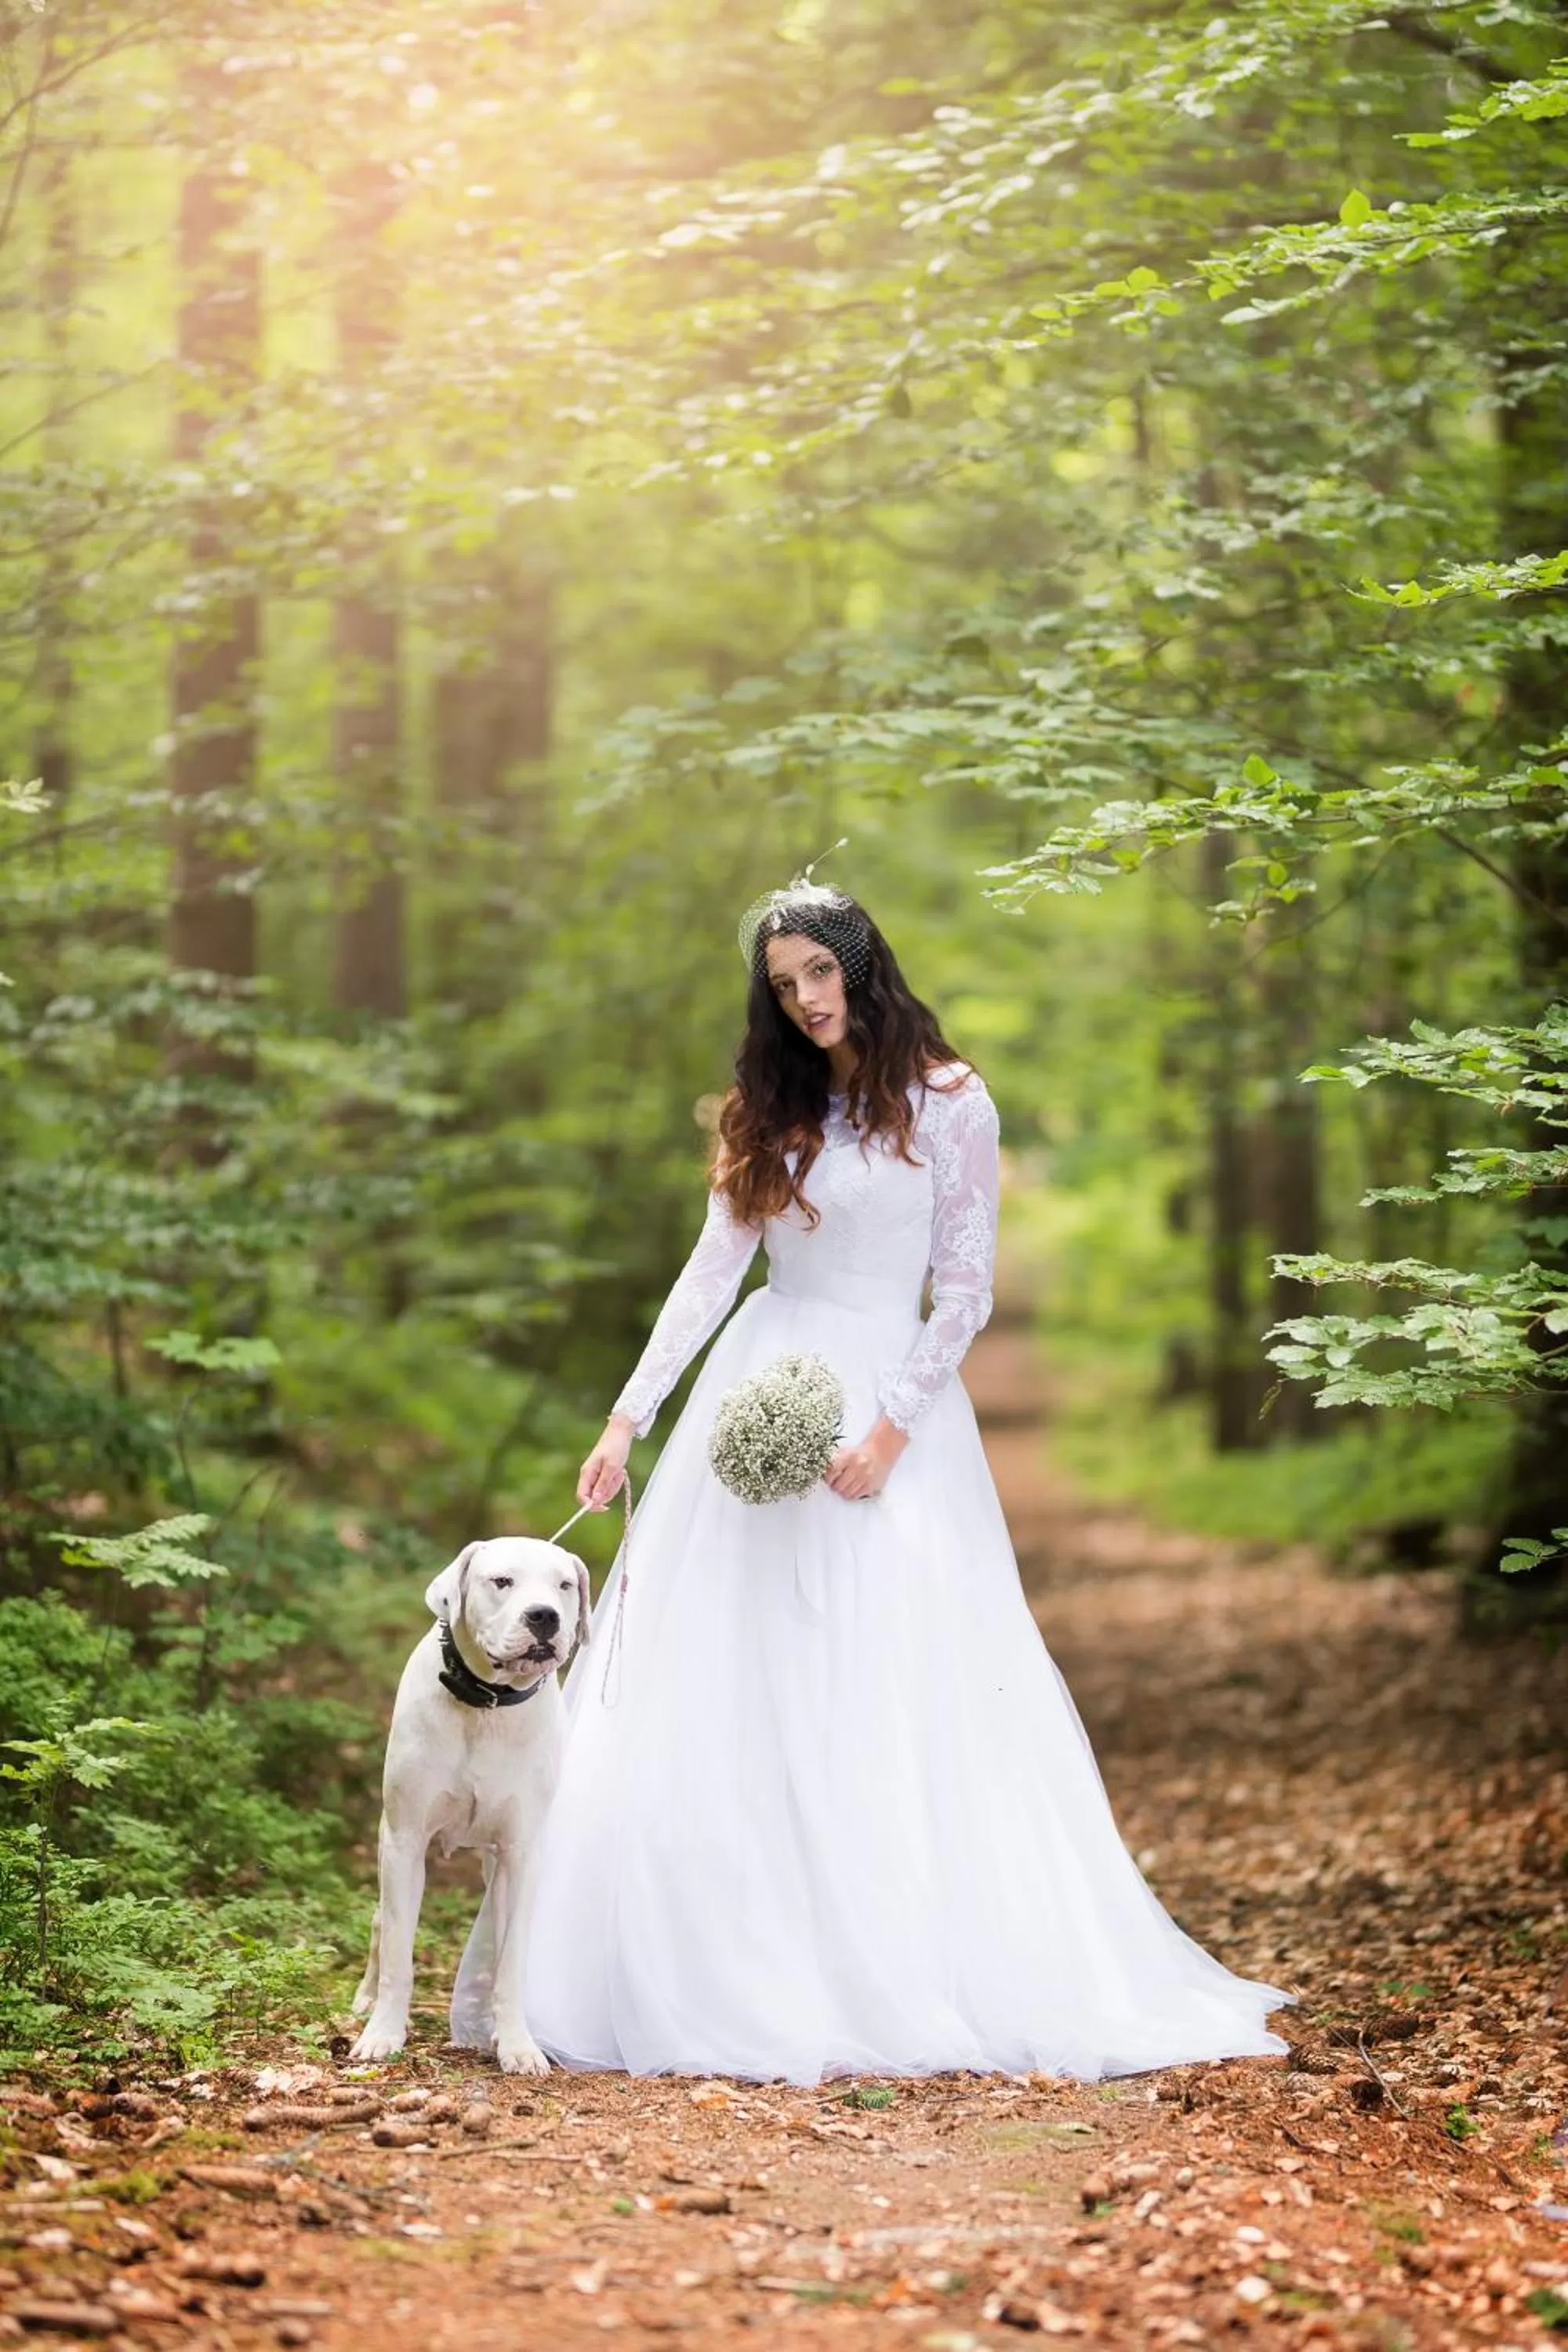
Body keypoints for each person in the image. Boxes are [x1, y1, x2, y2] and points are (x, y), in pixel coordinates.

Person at [522, 877, 1291, 2083]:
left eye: (819, 974)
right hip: (760, 1387)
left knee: (890, 1661)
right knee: (737, 1662)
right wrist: (629, 1418)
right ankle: (737, 1948)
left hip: (892, 1398)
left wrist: (890, 1429)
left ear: (861, 964)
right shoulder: (767, 1112)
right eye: (784, 987)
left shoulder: (951, 1101)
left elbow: (968, 1289)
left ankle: (897, 1948)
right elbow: (711, 1274)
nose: (806, 1001)